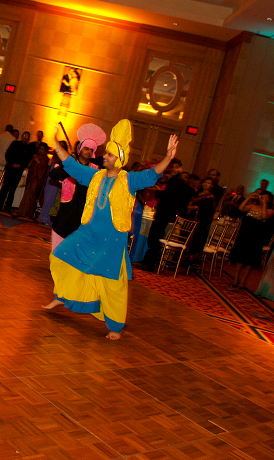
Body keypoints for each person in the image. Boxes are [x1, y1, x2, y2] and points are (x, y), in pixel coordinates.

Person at [43, 120, 179, 340]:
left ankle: (115, 326)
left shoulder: (130, 180)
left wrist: (168, 158)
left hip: (112, 241)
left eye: (109, 154)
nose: (104, 156)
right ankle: (63, 295)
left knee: (112, 284)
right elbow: (72, 165)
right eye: (105, 154)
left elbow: (152, 174)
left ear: (119, 159)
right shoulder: (94, 176)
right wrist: (55, 143)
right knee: (60, 256)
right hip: (87, 234)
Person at [47, 123, 106, 248]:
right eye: (86, 148)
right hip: (66, 210)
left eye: (91, 150)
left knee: (75, 247)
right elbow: (53, 174)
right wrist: (71, 167)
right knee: (58, 244)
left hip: (84, 213)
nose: (89, 152)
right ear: (80, 149)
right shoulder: (70, 165)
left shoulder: (96, 170)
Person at [140, 158, 193, 271]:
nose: (174, 170)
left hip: (166, 213)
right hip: (164, 212)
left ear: (181, 168)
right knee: (153, 237)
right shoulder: (175, 179)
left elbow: (172, 197)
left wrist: (157, 192)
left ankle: (150, 264)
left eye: (176, 167)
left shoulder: (179, 181)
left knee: (155, 238)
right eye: (172, 167)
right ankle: (147, 262)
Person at [228, 189, 274, 289]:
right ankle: (236, 278)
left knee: (250, 259)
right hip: (245, 234)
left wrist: (264, 204)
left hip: (256, 237)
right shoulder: (252, 206)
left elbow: (264, 216)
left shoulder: (270, 211)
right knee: (239, 257)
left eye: (266, 198)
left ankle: (244, 280)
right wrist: (250, 197)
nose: (263, 199)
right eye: (262, 197)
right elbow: (241, 208)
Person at [0, 131, 33, 212]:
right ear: (21, 136)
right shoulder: (15, 143)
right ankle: (0, 205)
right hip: (10, 167)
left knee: (13, 189)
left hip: (19, 170)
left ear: (29, 139)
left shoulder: (29, 148)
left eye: (27, 136)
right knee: (5, 187)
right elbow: (8, 154)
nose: (25, 137)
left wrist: (21, 165)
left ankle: (7, 207)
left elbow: (28, 159)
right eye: (24, 135)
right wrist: (12, 163)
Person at [185, 176, 217, 256]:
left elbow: (209, 210)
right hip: (191, 219)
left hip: (201, 222)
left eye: (208, 183)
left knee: (196, 241)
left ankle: (191, 261)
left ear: (212, 186)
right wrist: (190, 207)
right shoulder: (196, 194)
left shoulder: (210, 197)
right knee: (186, 238)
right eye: (205, 182)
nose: (206, 184)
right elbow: (189, 203)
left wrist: (196, 208)